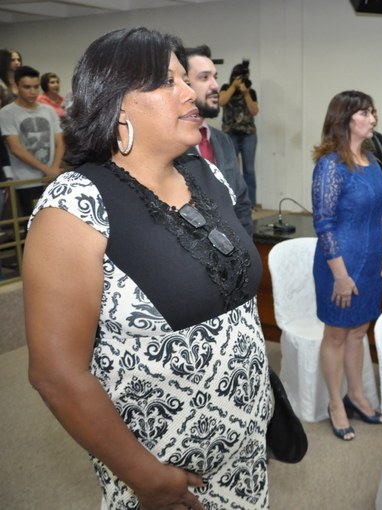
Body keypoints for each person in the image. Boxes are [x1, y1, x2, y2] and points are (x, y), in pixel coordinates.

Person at [23, 27, 270, 509]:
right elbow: (55, 373)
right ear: (117, 106)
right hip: (162, 478)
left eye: (185, 79)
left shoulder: (206, 174)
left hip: (246, 453)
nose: (189, 92)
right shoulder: (76, 202)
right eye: (167, 81)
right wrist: (148, 478)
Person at [311, 90, 382, 441]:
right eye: (365, 113)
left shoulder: (371, 159)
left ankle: (357, 395)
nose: (373, 118)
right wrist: (340, 276)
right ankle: (335, 403)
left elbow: (381, 210)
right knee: (336, 335)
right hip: (340, 264)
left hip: (372, 261)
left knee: (359, 331)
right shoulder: (330, 165)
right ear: (345, 119)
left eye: (373, 112)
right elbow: (324, 223)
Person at [184, 44, 255, 240]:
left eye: (215, 77)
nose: (215, 85)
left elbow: (241, 202)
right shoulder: (171, 146)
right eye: (204, 77)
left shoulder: (222, 141)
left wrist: (247, 247)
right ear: (183, 85)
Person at [0, 65, 63, 216]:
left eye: (35, 87)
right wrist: (47, 170)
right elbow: (15, 148)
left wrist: (53, 169)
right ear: (17, 86)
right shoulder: (7, 113)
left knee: (55, 219)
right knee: (31, 221)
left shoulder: (48, 110)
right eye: (27, 87)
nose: (32, 91)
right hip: (25, 181)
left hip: (51, 177)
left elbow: (60, 141)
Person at [220, 61, 259, 209]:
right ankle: (232, 203)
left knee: (249, 170)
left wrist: (246, 93)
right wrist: (233, 87)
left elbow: (254, 111)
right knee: (230, 168)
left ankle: (251, 204)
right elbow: (221, 101)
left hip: (248, 135)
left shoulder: (251, 91)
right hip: (230, 134)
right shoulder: (226, 87)